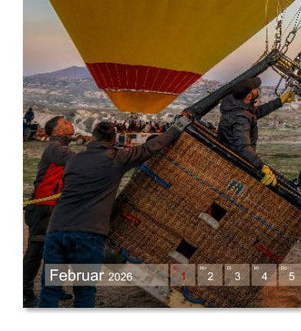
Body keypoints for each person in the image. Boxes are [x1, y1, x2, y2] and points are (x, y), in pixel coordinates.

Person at [37, 117, 188, 307]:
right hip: (89, 235)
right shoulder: (117, 159)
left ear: (92, 137)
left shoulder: (73, 160)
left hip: (57, 230)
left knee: (50, 290)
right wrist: (176, 129)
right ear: (113, 139)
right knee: (84, 292)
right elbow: (150, 148)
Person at [23, 116, 77, 307]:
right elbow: (76, 162)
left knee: (56, 249)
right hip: (43, 208)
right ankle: (24, 292)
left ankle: (53, 287)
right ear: (58, 131)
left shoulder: (60, 146)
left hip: (54, 207)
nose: (70, 123)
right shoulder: (56, 148)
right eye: (65, 122)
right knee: (36, 250)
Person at [216, 77, 292, 187]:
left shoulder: (236, 104)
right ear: (249, 96)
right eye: (256, 89)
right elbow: (243, 146)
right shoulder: (240, 118)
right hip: (236, 164)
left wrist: (280, 101)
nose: (258, 90)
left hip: (233, 158)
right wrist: (261, 166)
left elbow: (256, 113)